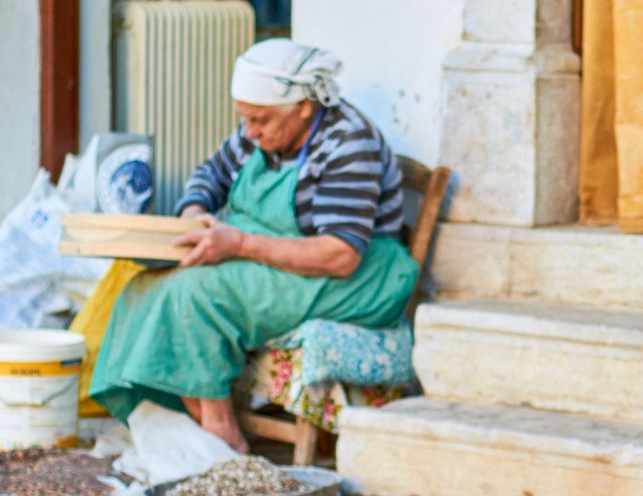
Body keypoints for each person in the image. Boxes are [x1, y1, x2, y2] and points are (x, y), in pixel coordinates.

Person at [89, 39, 419, 452]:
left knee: (196, 294)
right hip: (281, 259)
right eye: (244, 118)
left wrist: (239, 243)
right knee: (144, 285)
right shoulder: (259, 131)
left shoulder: (349, 143)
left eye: (260, 119)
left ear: (304, 107)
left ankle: (222, 435)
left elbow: (340, 254)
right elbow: (211, 174)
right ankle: (189, 421)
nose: (250, 130)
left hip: (355, 277)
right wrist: (194, 211)